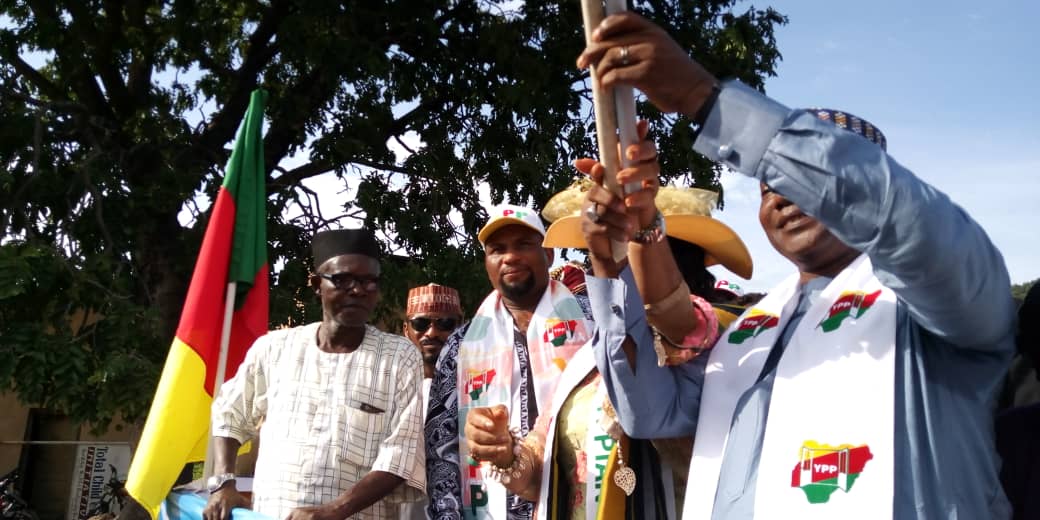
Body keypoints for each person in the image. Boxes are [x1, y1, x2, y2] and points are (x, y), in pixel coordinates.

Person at [577, 12, 1015, 519]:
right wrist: (609, 264)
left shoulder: (939, 305)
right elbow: (649, 412)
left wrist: (704, 98)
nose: (781, 197)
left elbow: (904, 219)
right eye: (768, 187)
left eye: (800, 178)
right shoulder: (750, 333)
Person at [460, 139, 755, 520]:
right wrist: (504, 452)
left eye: (624, 255)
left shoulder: (720, 344)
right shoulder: (587, 358)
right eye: (600, 254)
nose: (606, 272)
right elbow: (539, 475)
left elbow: (648, 404)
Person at [204, 229, 426, 520]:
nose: (357, 290)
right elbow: (229, 413)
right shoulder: (274, 348)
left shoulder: (399, 356)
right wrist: (223, 483)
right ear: (316, 284)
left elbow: (402, 455)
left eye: (368, 281)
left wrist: (334, 511)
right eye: (342, 279)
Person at [424, 205, 594, 520]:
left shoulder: (592, 320)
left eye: (523, 245)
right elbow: (441, 450)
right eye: (497, 250)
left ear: (548, 255)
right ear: (487, 264)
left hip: (581, 500)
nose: (510, 257)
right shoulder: (462, 345)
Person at [401, 283, 463, 520]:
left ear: (460, 326)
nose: (432, 333)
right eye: (421, 323)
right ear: (406, 329)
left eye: (445, 323)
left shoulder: (476, 388)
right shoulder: (395, 390)